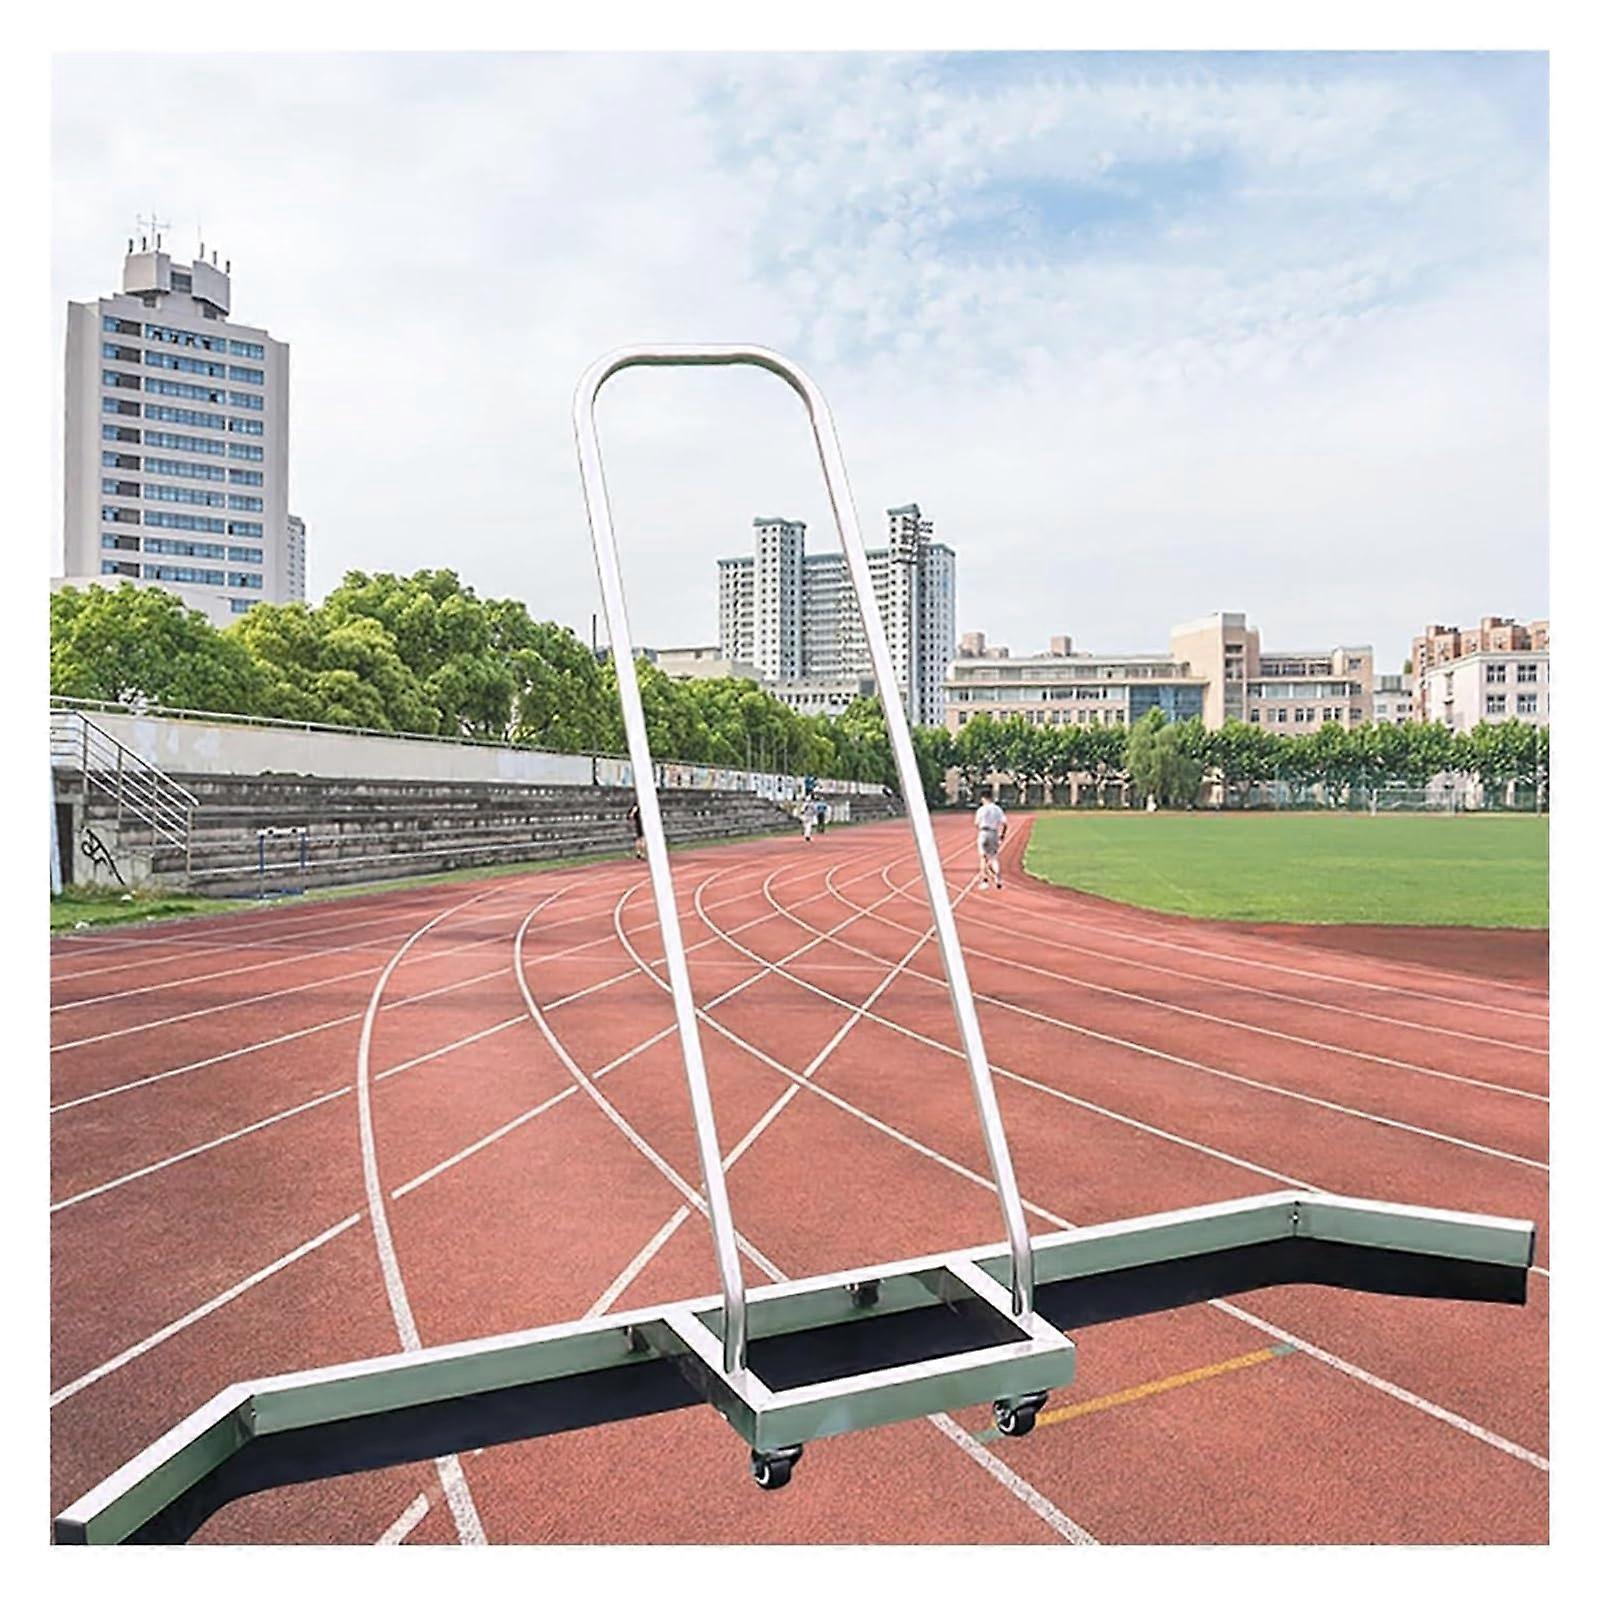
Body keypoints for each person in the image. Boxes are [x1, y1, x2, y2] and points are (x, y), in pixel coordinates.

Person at [974, 795, 1007, 889]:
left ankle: (984, 881)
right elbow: (1004, 824)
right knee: (994, 857)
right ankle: (998, 878)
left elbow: (976, 823)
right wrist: (1002, 835)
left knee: (983, 858)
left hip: (983, 832)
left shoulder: (981, 809)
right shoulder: (997, 809)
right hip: (994, 832)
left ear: (984, 799)